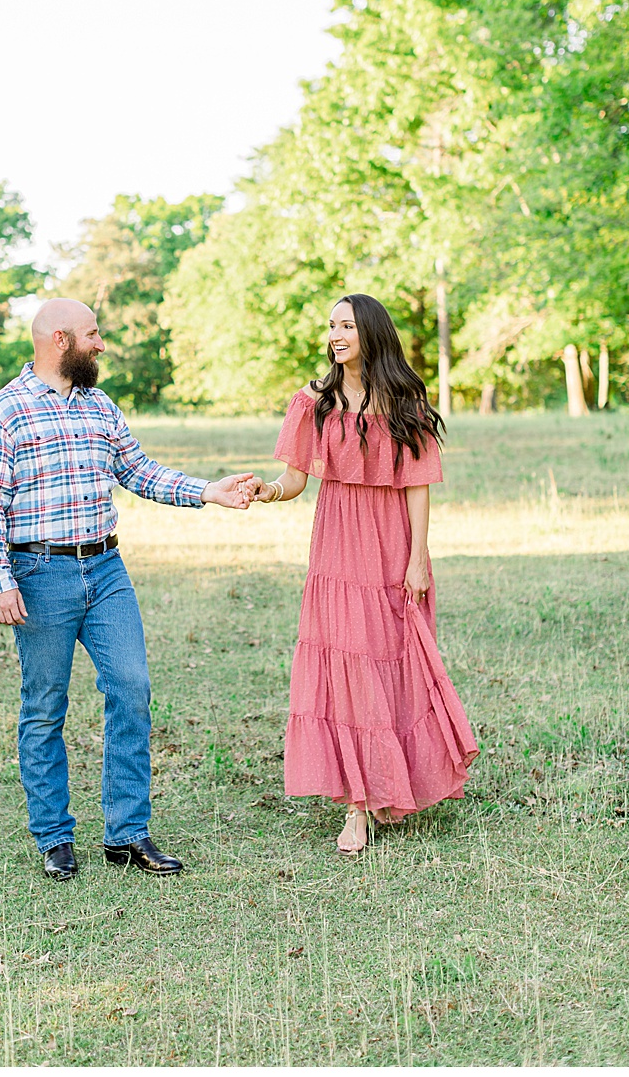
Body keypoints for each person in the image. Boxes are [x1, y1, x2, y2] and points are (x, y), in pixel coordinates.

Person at [0, 298, 258, 882]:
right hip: (40, 575)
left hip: (106, 571)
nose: (101, 344)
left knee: (132, 688)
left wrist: (209, 491)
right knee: (45, 708)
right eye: (92, 334)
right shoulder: (3, 413)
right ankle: (53, 837)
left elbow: (138, 471)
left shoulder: (101, 405)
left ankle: (127, 835)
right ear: (59, 339)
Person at [252, 293, 478, 854]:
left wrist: (418, 557)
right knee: (348, 665)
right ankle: (357, 806)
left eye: (346, 325)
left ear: (371, 332)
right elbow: (296, 478)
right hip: (337, 542)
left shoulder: (404, 398)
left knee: (393, 661)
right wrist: (269, 492)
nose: (335, 334)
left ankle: (392, 785)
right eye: (331, 325)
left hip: (392, 540)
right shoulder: (313, 402)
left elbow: (418, 481)